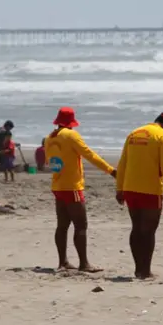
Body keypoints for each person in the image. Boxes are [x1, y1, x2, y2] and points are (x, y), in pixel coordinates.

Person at [45, 107, 116, 272]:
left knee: (62, 225)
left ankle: (62, 262)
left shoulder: (50, 138)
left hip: (58, 185)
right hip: (72, 186)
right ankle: (84, 264)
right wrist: (111, 170)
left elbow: (50, 162)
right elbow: (89, 155)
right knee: (81, 224)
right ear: (71, 123)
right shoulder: (71, 136)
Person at [115, 112, 163, 279]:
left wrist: (119, 188)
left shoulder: (134, 133)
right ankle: (146, 271)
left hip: (130, 187)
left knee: (136, 228)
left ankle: (138, 269)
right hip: (151, 189)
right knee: (149, 231)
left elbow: (122, 162)